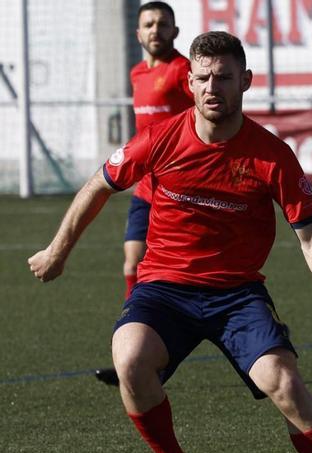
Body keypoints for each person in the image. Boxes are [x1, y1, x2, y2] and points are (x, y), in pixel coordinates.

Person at [28, 31, 312, 453]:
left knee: (286, 386)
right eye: (203, 78)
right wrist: (58, 250)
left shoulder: (272, 155)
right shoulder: (158, 139)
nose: (213, 87)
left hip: (237, 294)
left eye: (224, 77)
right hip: (164, 288)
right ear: (190, 84)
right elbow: (98, 185)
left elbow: (311, 237)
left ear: (246, 81)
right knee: (130, 359)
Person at [96, 1, 195, 386]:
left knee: (205, 276)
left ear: (175, 31)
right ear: (138, 33)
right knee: (131, 264)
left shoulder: (185, 71)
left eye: (163, 24)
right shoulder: (137, 72)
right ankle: (129, 355)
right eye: (149, 24)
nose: (156, 30)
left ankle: (267, 333)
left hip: (181, 191)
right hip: (146, 188)